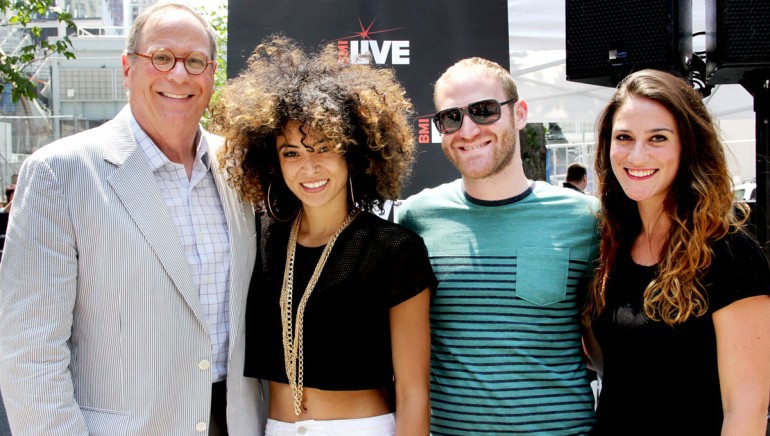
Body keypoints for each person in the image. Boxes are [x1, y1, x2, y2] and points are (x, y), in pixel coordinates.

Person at [0, 3, 267, 434]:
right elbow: (29, 353)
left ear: (212, 74)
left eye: (195, 61)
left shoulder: (238, 167)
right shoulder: (59, 174)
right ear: (128, 67)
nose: (179, 75)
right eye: (161, 57)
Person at [210, 36, 437, 436]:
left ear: (355, 151)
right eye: (291, 153)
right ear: (272, 158)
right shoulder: (259, 238)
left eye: (324, 148)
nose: (309, 168)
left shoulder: (394, 250)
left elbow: (415, 394)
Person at [396, 57, 599, 434]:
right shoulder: (415, 218)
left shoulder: (585, 219)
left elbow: (607, 344)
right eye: (451, 118)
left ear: (519, 114)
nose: (468, 129)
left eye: (484, 111)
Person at [584, 69, 770, 435]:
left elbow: (746, 410)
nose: (637, 155)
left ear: (689, 146)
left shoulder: (730, 252)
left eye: (658, 138)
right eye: (624, 137)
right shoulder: (610, 245)